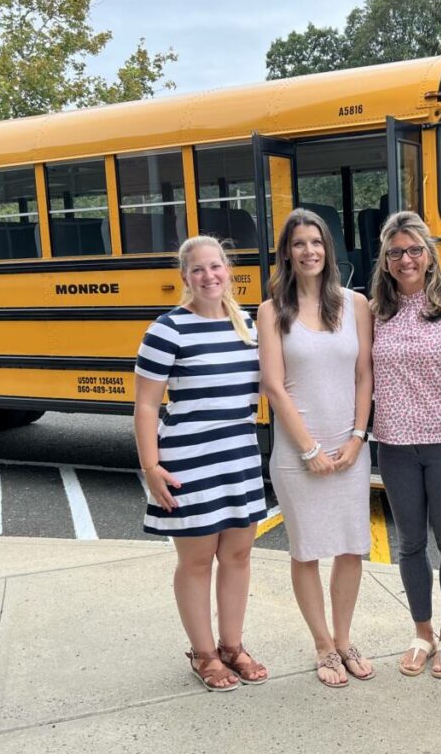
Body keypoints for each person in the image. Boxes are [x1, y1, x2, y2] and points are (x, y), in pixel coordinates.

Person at [134, 235, 269, 692]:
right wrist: (151, 467)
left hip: (239, 454)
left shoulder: (247, 324)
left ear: (228, 269)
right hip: (189, 460)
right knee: (196, 561)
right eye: (198, 270)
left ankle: (233, 645)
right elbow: (146, 406)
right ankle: (204, 653)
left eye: (216, 267)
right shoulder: (167, 329)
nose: (209, 276)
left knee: (238, 555)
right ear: (184, 277)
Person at [256, 207, 375, 688]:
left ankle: (344, 640)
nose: (309, 251)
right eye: (299, 243)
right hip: (297, 453)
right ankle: (323, 646)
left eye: (317, 243)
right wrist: (309, 449)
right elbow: (274, 385)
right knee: (305, 551)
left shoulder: (356, 304)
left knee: (351, 548)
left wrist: (357, 437)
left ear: (329, 249)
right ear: (287, 252)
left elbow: (365, 373)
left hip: (350, 447)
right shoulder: (271, 311)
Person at [369, 211, 441, 679]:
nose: (406, 259)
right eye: (396, 252)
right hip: (393, 443)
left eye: (414, 250)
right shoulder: (373, 313)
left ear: (429, 256)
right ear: (386, 261)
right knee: (410, 543)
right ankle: (422, 631)